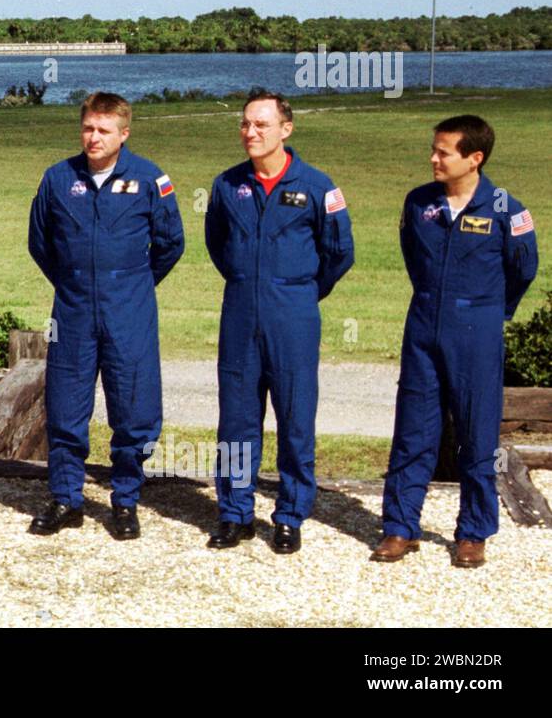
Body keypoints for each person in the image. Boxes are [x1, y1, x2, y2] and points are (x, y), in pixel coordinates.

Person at [374, 115, 538, 568]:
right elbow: (413, 255)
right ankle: (399, 527)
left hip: (477, 330)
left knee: (476, 433)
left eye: (443, 152)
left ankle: (473, 532)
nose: (433, 158)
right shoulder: (419, 203)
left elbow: (523, 268)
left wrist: (489, 312)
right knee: (413, 429)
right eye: (434, 149)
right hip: (424, 324)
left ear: (474, 158)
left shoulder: (507, 208)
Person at [27, 93, 184, 538]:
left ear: (124, 133)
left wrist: (131, 284)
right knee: (65, 407)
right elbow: (40, 243)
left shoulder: (150, 179)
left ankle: (125, 500)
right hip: (73, 309)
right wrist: (74, 283)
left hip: (128, 311)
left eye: (104, 130)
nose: (93, 138)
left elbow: (171, 244)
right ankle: (65, 498)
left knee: (134, 409)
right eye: (88, 129)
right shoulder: (59, 179)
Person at [204, 90, 354, 553]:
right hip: (240, 314)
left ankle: (289, 516)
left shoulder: (317, 186)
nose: (250, 132)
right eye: (246, 124)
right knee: (237, 421)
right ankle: (235, 513)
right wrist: (249, 281)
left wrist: (302, 290)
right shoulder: (227, 185)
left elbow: (339, 253)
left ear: (286, 129)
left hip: (294, 315)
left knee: (294, 419)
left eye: (261, 125)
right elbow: (217, 244)